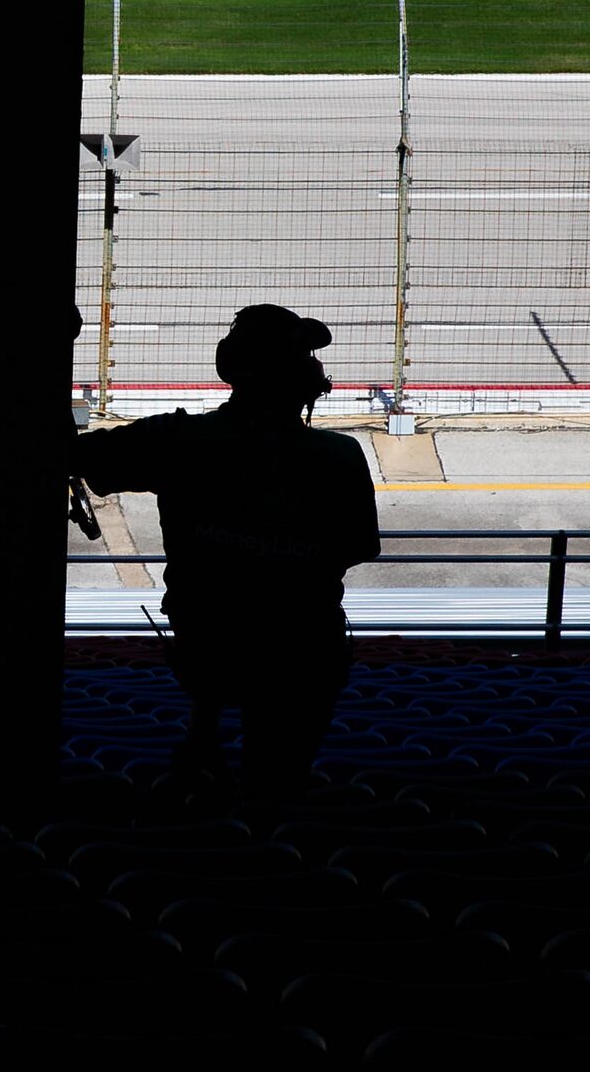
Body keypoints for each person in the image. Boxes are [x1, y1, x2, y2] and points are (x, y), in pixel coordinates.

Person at [70, 304, 381, 789]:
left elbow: (81, 455)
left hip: (208, 641)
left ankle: (202, 747)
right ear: (306, 382)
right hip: (302, 644)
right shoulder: (337, 456)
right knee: (282, 776)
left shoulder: (176, 441)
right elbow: (359, 545)